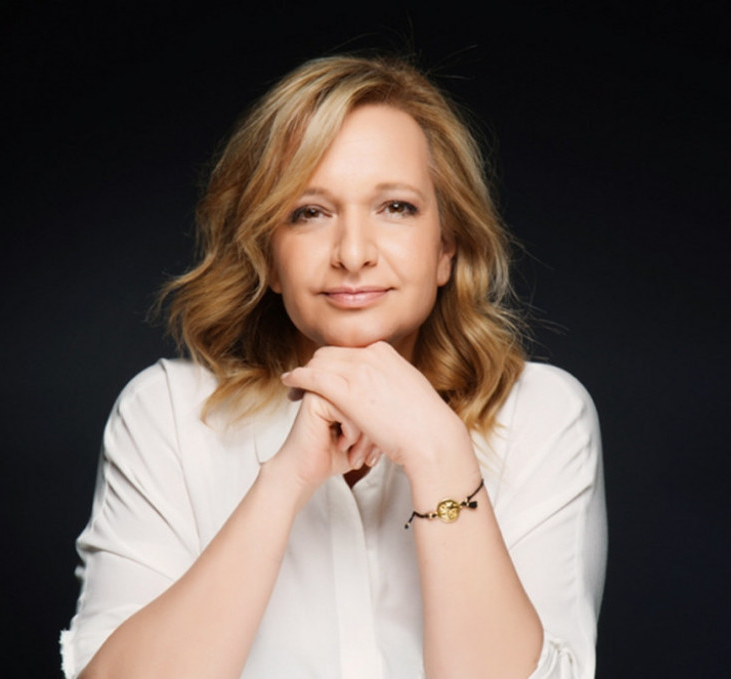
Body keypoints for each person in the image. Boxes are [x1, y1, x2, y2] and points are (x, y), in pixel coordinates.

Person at [60, 53, 607, 679]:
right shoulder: (168, 415)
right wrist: (284, 482)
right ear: (268, 255)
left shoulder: (541, 415)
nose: (352, 253)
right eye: (309, 212)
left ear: (446, 249)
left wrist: (438, 453)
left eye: (395, 207)